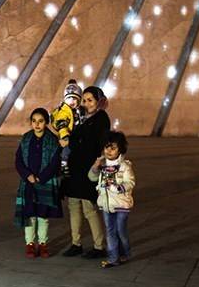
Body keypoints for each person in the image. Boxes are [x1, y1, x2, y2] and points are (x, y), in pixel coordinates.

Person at [62, 86, 110, 259]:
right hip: (75, 169)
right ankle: (76, 243)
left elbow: (102, 143)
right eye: (85, 100)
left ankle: (99, 246)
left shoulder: (101, 118)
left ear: (98, 102)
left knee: (89, 208)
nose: (86, 103)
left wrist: (99, 163)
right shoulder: (80, 118)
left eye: (90, 100)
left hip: (88, 169)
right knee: (73, 206)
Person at [14, 108, 63, 258]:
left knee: (43, 215)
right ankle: (30, 244)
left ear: (46, 123)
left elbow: (55, 163)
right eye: (34, 121)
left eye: (41, 121)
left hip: (44, 182)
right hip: (28, 183)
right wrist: (27, 175)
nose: (37, 124)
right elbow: (18, 160)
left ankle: (43, 244)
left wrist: (41, 177)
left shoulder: (53, 140)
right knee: (30, 215)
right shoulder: (25, 139)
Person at [88, 131, 135, 268]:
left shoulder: (125, 166)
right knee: (110, 231)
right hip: (106, 204)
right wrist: (95, 166)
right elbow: (91, 177)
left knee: (120, 231)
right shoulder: (102, 166)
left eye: (113, 148)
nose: (109, 150)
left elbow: (130, 182)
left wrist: (118, 188)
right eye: (107, 147)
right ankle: (113, 258)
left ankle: (125, 253)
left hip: (121, 204)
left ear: (120, 149)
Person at [49, 79, 83, 177]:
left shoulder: (77, 111)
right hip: (66, 136)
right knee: (66, 150)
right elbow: (61, 124)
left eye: (75, 99)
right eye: (69, 98)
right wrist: (65, 136)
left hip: (76, 136)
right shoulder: (64, 111)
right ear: (65, 99)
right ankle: (64, 164)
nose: (72, 101)